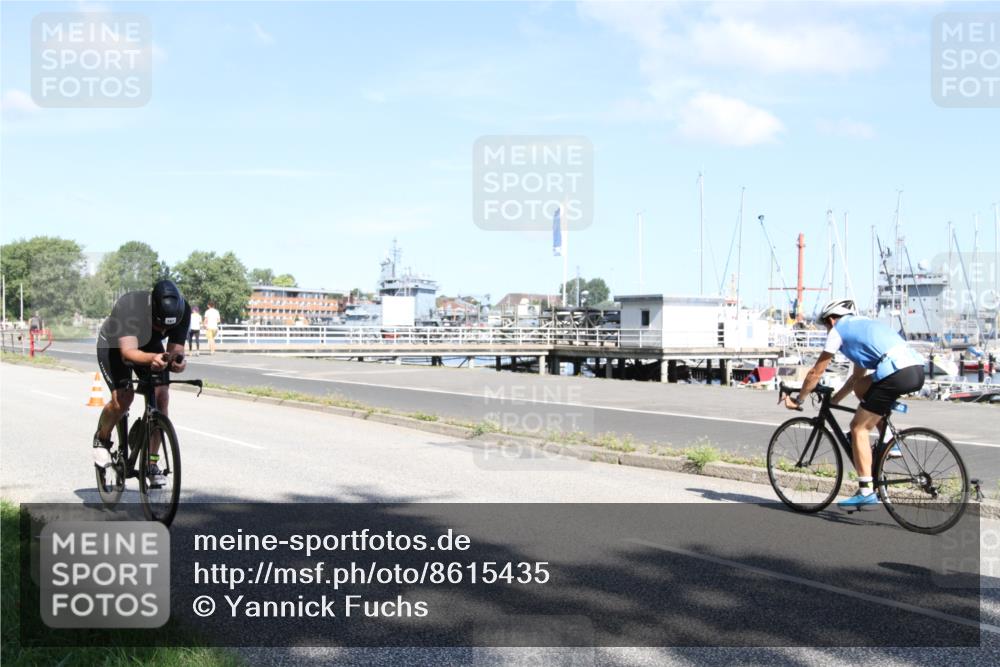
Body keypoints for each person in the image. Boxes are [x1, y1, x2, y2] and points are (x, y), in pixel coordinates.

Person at [784, 299, 925, 508]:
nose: (825, 330)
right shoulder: (862, 328)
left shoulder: (837, 331)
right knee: (863, 388)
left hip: (895, 373)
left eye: (824, 326)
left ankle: (866, 491)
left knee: (858, 428)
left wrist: (799, 399)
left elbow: (816, 372)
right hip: (915, 370)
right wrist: (834, 401)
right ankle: (889, 444)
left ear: (831, 320)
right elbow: (855, 380)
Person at [94, 280, 190, 487]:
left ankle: (151, 463)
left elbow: (175, 349)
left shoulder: (184, 311)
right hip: (115, 345)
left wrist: (176, 362)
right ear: (150, 310)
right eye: (159, 325)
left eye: (167, 327)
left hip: (148, 343)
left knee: (162, 396)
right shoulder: (129, 307)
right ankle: (102, 438)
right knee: (123, 397)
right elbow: (128, 353)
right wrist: (153, 358)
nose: (163, 329)